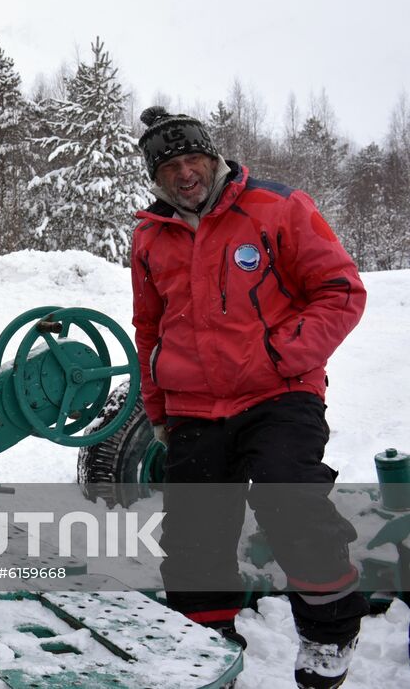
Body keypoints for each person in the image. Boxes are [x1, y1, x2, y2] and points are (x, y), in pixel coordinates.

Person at [130, 106, 369, 689]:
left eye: (193, 160)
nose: (185, 174)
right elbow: (149, 328)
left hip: (279, 397)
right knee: (192, 531)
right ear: (154, 179)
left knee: (291, 503)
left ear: (213, 158)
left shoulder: (277, 207)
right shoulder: (149, 237)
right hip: (193, 407)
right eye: (170, 168)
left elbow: (340, 291)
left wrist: (282, 357)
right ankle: (205, 642)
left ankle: (330, 631)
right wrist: (158, 409)